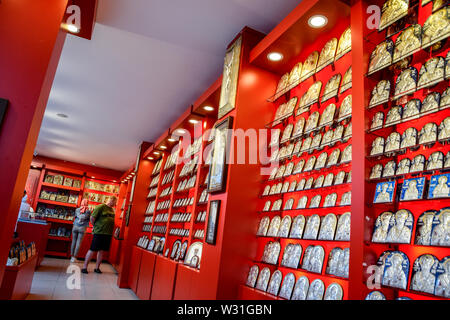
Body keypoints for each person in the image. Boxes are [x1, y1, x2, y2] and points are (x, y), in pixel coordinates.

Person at [81, 196, 117, 274]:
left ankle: (97, 268)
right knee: (92, 250)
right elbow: (92, 217)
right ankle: (84, 267)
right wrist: (95, 226)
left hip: (108, 234)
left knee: (101, 251)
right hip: (99, 233)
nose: (115, 204)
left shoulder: (112, 210)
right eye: (115, 202)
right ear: (111, 200)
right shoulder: (101, 207)